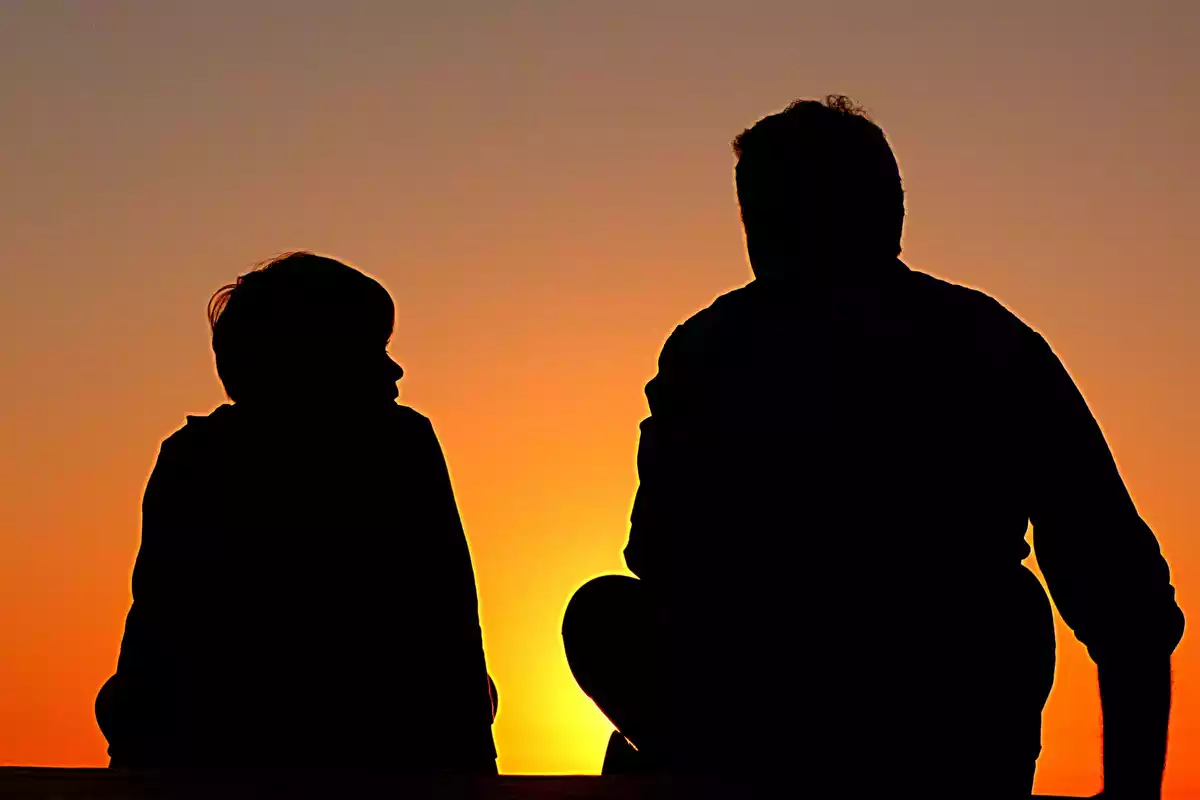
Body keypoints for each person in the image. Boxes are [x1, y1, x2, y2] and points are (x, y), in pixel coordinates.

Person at [562, 96, 1184, 796]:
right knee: (1006, 608)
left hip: (851, 725)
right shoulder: (989, 342)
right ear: (892, 212)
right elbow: (1125, 595)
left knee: (606, 614)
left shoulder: (712, 350)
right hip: (893, 718)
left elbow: (655, 551)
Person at [97, 252, 497, 773]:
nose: (395, 369)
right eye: (374, 349)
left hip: (218, 735)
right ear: (318, 360)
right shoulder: (401, 443)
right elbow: (451, 625)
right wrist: (475, 768)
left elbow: (154, 628)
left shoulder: (192, 455)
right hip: (374, 738)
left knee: (122, 697)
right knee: (478, 692)